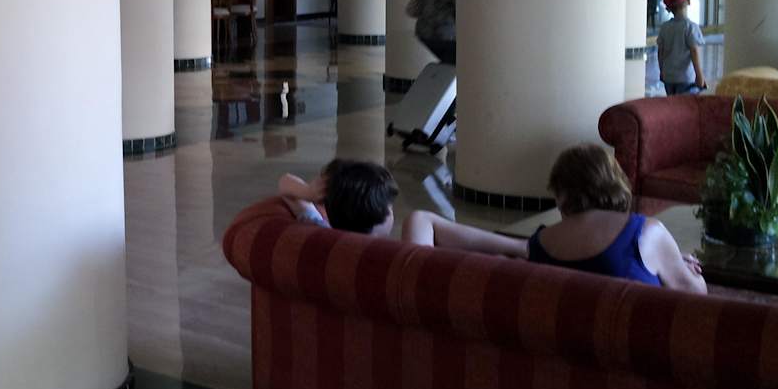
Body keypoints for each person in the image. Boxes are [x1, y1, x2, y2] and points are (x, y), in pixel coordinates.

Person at [528, 144, 706, 292]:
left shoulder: (539, 243)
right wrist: (686, 269)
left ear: (561, 193)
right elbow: (696, 294)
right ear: (614, 184)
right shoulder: (647, 232)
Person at [278, 160, 527, 257]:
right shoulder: (397, 258)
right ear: (384, 217)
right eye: (390, 207)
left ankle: (516, 249)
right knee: (418, 219)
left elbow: (285, 184)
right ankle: (520, 247)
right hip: (413, 276)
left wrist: (308, 193)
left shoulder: (321, 232)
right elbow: (286, 182)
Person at [656, 0, 706, 95]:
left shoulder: (664, 28)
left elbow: (660, 53)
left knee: (672, 103)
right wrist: (699, 75)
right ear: (688, 1)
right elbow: (694, 52)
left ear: (668, 9)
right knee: (684, 104)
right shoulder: (691, 27)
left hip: (668, 77)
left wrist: (662, 71)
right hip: (686, 78)